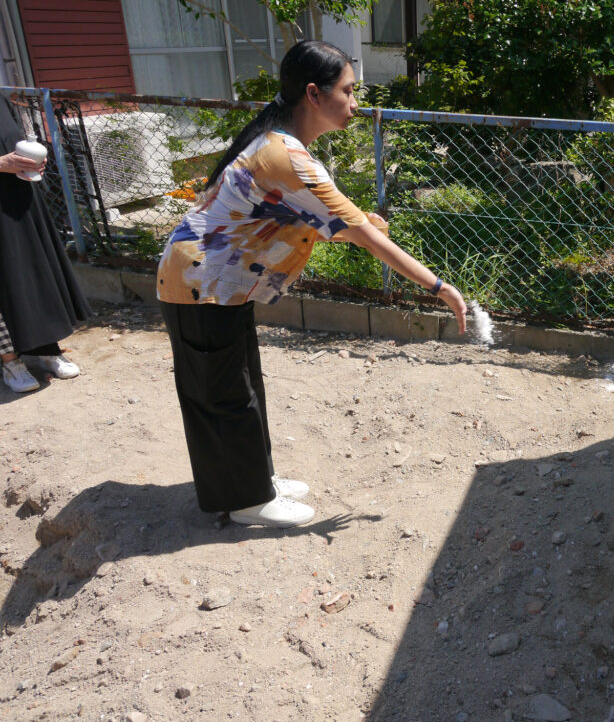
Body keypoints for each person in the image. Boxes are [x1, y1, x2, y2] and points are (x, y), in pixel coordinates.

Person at [157, 40, 467, 529]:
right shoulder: (287, 156)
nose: (355, 102)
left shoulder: (280, 144)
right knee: (223, 395)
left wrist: (356, 227)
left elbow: (319, 220)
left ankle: (257, 482)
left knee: (242, 384)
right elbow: (365, 238)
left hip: (220, 283)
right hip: (200, 283)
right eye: (348, 90)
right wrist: (440, 287)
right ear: (313, 94)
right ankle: (245, 502)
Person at [0, 93, 92, 393]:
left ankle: (46, 349)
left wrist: (30, 161)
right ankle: (10, 361)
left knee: (32, 272)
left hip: (19, 199)